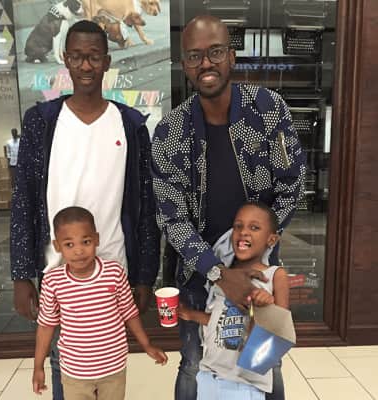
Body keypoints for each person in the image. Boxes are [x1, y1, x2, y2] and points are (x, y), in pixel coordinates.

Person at [151, 15, 305, 400]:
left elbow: (291, 186)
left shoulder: (267, 110)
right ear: (184, 65)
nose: (206, 63)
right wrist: (219, 272)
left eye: (215, 52)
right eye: (194, 56)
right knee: (195, 364)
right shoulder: (170, 132)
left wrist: (256, 251)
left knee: (264, 363)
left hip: (259, 276)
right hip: (197, 277)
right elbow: (172, 218)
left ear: (231, 56)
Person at [10, 20, 160, 400]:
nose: (86, 66)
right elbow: (24, 199)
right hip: (57, 272)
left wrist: (144, 276)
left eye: (94, 57)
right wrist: (21, 274)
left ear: (107, 61)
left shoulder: (129, 125)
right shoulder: (43, 122)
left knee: (108, 365)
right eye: (77, 57)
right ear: (65, 59)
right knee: (64, 364)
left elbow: (145, 206)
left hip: (113, 270)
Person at [32, 206, 167, 400]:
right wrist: (38, 366)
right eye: (69, 244)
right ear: (57, 246)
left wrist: (147, 345)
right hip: (75, 372)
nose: (79, 250)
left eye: (86, 242)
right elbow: (46, 326)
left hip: (113, 368)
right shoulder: (53, 281)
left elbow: (129, 313)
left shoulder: (114, 273)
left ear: (96, 239)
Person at [178, 202, 289, 400]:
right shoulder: (225, 276)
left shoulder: (275, 275)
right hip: (209, 375)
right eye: (238, 226)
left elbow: (280, 331)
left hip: (245, 383)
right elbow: (220, 318)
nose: (243, 232)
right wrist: (191, 315)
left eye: (254, 227)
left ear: (271, 239)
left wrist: (266, 306)